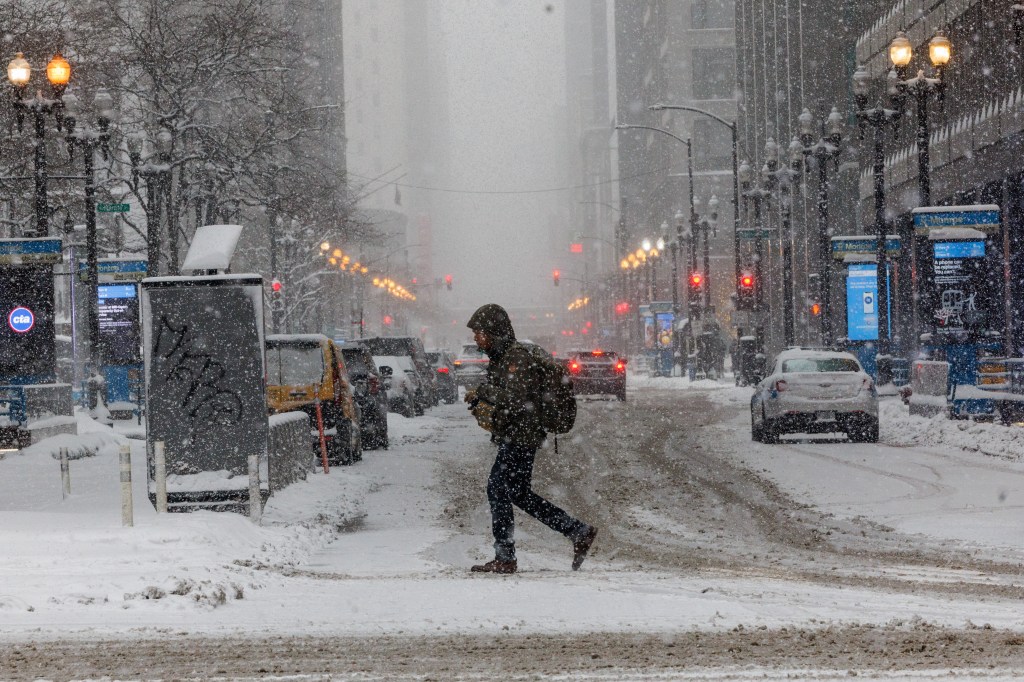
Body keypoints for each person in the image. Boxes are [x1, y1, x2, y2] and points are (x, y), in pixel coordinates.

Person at [464, 303, 598, 575]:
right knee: (517, 492)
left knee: (498, 488)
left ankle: (505, 556)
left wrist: (483, 392)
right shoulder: (503, 356)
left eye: (479, 333)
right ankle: (576, 530)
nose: (476, 338)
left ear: (494, 332)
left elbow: (515, 400)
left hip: (522, 434)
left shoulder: (516, 358)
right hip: (517, 432)